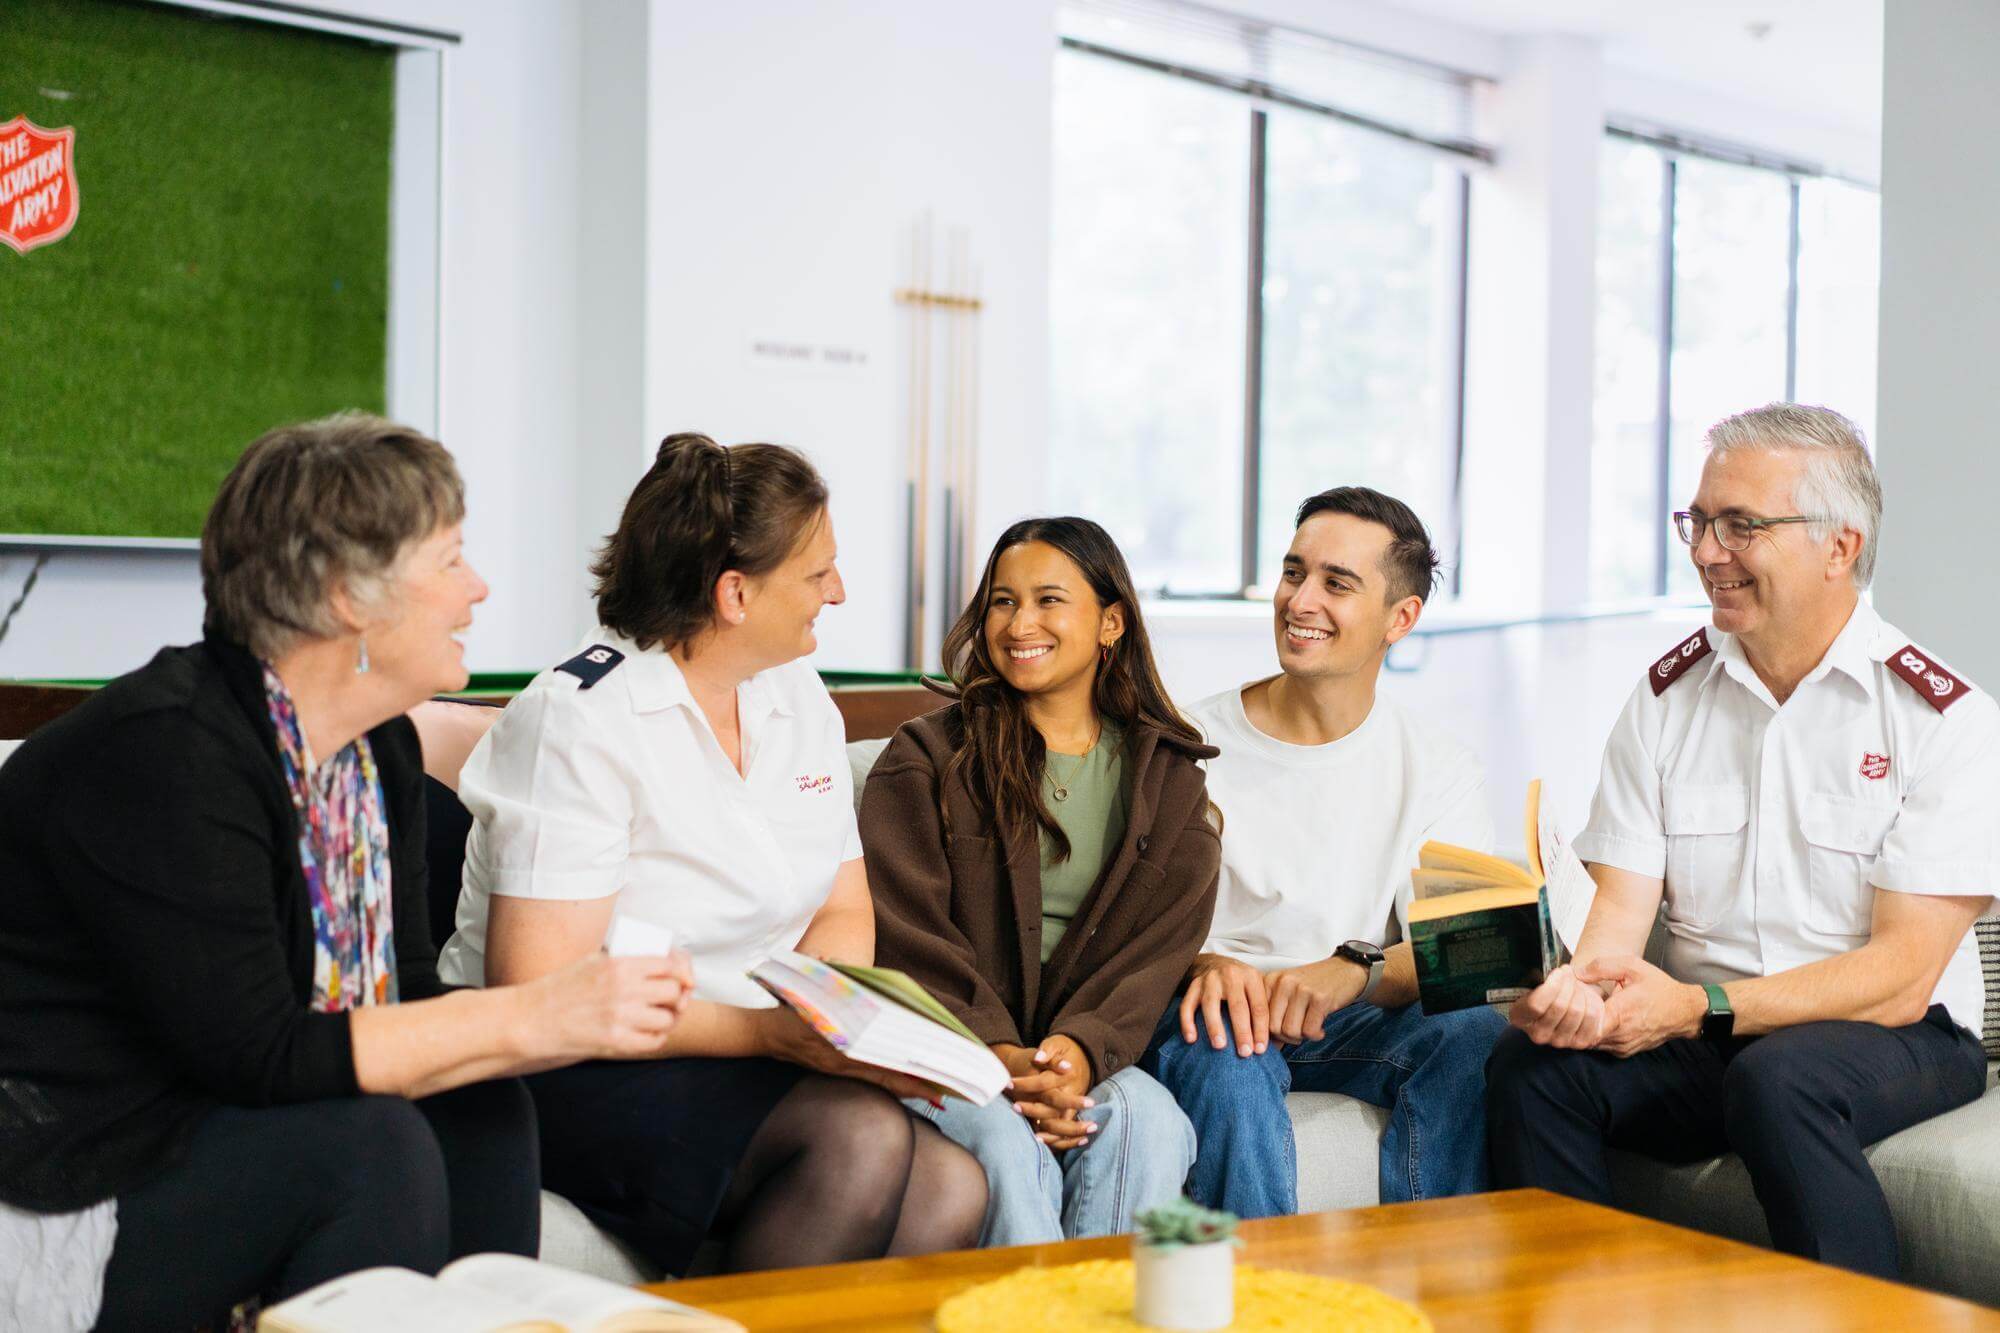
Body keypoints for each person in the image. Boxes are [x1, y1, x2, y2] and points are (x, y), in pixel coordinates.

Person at [0, 414, 694, 1332]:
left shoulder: (378, 752)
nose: (478, 588)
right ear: (345, 596)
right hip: (67, 1170)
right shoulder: (166, 752)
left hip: (207, 1123)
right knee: (371, 1147)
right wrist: (531, 1013)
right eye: (450, 560)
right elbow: (262, 1052)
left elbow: (399, 990)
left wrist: (543, 1034)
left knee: (483, 1109)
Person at [437, 433, 986, 1276]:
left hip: (737, 1047)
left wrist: (824, 1017)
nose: (837, 592)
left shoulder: (798, 696)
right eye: (817, 574)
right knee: (860, 1141)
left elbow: (842, 905)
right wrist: (769, 1037)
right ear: (734, 593)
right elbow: (541, 989)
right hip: (567, 1064)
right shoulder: (580, 719)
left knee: (953, 1184)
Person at [1486, 404, 1995, 1281]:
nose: (1706, 550)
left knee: (1779, 1080)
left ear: (1841, 545)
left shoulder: (1942, 718)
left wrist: (1695, 1007)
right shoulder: (1666, 698)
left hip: (1897, 1034)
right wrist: (1583, 993)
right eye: (1699, 520)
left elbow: (1902, 976)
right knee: (1535, 1067)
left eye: (1741, 525)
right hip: (1711, 1033)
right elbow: (1617, 907)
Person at [1142, 486, 1508, 1218]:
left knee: (1473, 1033)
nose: (1300, 600)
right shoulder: (1185, 744)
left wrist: (1357, 970)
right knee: (1226, 1055)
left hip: (1354, 1012)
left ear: (1400, 618)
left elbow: (1478, 953)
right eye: (1292, 572)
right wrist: (1205, 964)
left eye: (1336, 583)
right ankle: (1261, 1302)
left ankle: (1433, 1292)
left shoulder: (1436, 765)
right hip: (1212, 1013)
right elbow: (1124, 928)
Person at [863, 517, 1215, 1244]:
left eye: (1049, 599)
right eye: (1001, 600)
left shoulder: (1169, 782)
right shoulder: (926, 756)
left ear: (1110, 621)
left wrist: (1077, 1054)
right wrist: (998, 1051)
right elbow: (905, 931)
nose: (1021, 622)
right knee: (1003, 1138)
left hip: (1084, 1056)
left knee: (1149, 1121)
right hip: (953, 1049)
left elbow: (1156, 954)